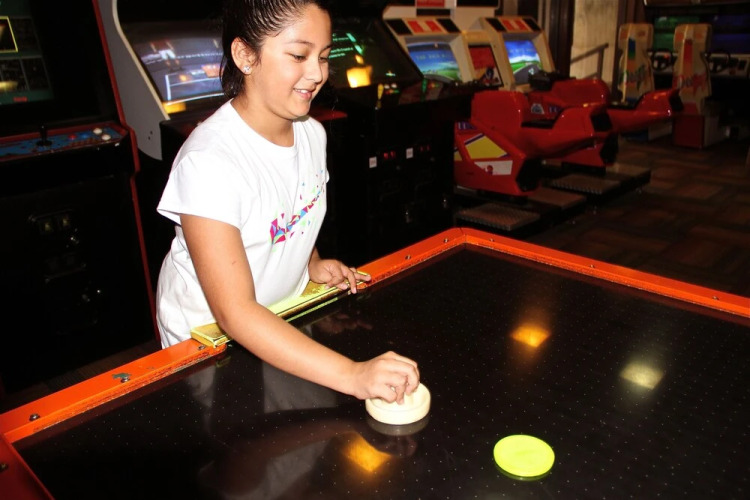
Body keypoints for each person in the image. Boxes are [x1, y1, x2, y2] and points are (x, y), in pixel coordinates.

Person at [155, 0, 419, 404]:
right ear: (246, 55)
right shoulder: (209, 162)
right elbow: (235, 313)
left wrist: (310, 263)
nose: (317, 74)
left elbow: (291, 210)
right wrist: (353, 374)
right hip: (210, 344)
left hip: (279, 318)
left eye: (324, 57)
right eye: (299, 55)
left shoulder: (312, 132)